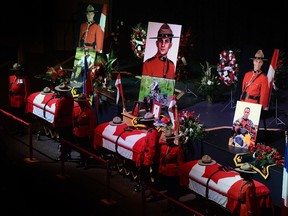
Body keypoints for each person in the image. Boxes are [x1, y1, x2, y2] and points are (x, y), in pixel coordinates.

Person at [158, 129, 185, 211]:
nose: (167, 140)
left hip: (173, 173)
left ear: (172, 139)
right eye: (167, 139)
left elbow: (181, 162)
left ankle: (173, 207)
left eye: (169, 139)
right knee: (168, 191)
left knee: (173, 192)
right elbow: (161, 159)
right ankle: (170, 206)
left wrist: (181, 175)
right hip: (164, 171)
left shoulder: (177, 149)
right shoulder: (163, 147)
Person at [138, 112, 162, 199]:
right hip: (148, 158)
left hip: (150, 159)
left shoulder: (152, 132)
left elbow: (152, 148)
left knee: (151, 178)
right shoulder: (151, 131)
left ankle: (154, 194)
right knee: (148, 177)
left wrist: (151, 160)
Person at [73, 93, 96, 169]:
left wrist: (91, 133)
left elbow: (92, 123)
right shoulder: (76, 109)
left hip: (85, 132)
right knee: (79, 147)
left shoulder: (89, 112)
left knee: (86, 148)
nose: (80, 103)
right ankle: (82, 161)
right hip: (77, 131)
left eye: (82, 102)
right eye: (79, 102)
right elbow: (73, 120)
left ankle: (86, 162)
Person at [54, 82, 74, 161]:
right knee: (69, 138)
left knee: (63, 139)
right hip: (69, 120)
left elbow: (57, 113)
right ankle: (68, 153)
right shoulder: (70, 98)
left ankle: (63, 155)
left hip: (63, 122)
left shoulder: (61, 101)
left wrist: (55, 123)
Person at [8, 63, 30, 134]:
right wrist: (9, 97)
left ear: (20, 70)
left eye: (17, 70)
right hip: (13, 99)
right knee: (14, 116)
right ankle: (16, 129)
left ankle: (21, 130)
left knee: (20, 116)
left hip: (20, 100)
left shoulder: (24, 78)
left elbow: (27, 90)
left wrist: (25, 100)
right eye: (15, 70)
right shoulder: (11, 77)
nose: (16, 71)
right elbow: (9, 88)